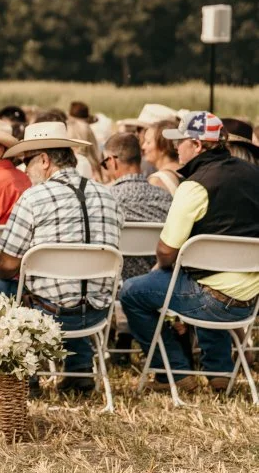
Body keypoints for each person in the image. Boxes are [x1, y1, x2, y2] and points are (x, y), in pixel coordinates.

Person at [121, 112, 259, 393]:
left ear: (197, 146)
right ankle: (219, 370)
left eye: (181, 142)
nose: (176, 148)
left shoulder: (195, 185)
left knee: (132, 292)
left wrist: (163, 265)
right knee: (203, 275)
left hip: (211, 300)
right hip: (251, 299)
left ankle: (173, 370)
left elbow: (166, 250)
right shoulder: (254, 173)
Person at [0, 122, 124, 395]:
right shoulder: (109, 196)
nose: (25, 169)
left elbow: (6, 266)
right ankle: (79, 370)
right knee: (74, 285)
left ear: (45, 160)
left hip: (51, 313)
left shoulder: (33, 198)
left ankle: (27, 375)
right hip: (98, 313)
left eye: (27, 162)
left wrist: (6, 266)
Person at [101, 133, 172, 279]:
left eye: (104, 163)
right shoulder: (166, 198)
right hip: (159, 282)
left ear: (113, 161)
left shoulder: (105, 200)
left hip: (118, 283)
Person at [141, 120, 181, 194]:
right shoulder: (186, 172)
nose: (143, 147)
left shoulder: (157, 181)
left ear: (163, 147)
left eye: (148, 142)